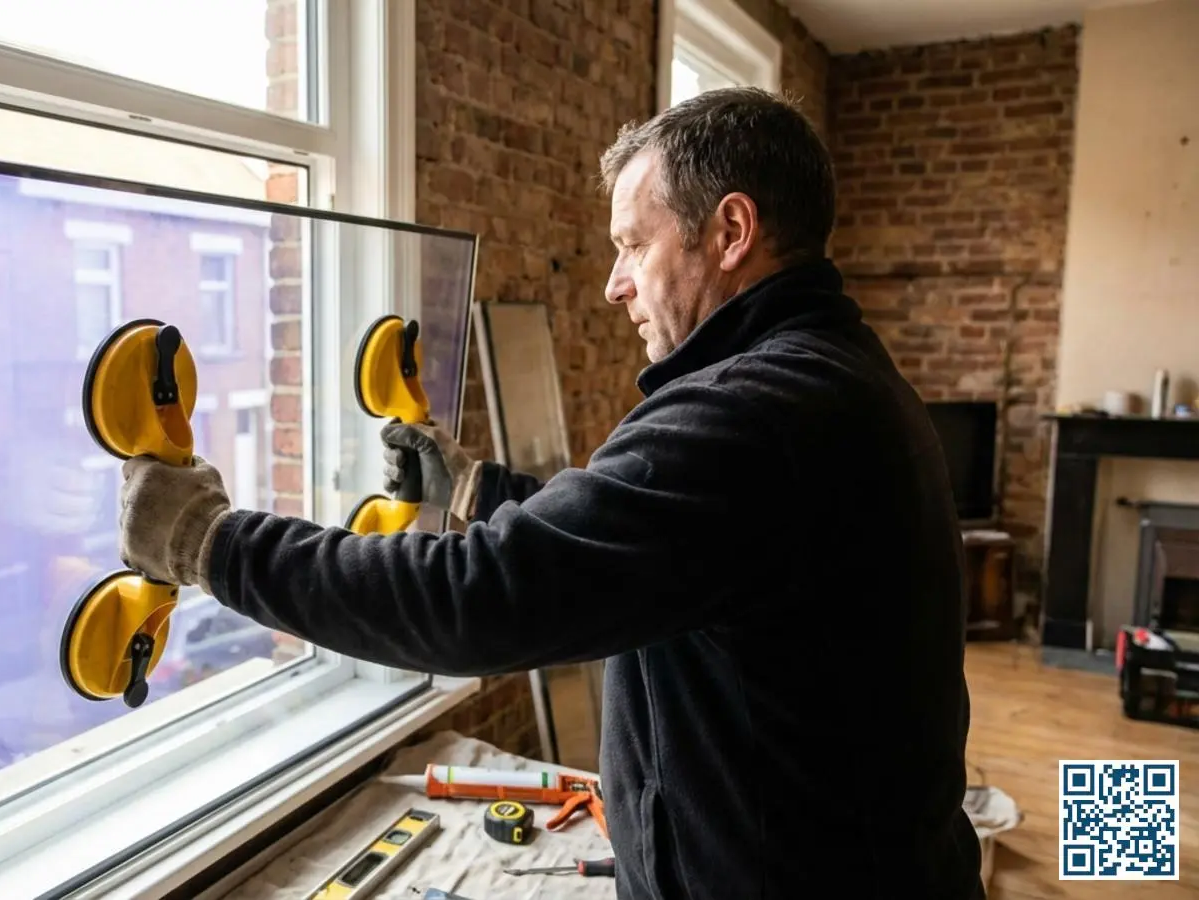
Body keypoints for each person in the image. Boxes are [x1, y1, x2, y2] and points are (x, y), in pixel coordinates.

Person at [115, 87, 984, 899]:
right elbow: (642, 548)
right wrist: (472, 488)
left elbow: (478, 601)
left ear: (730, 231)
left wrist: (207, 540)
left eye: (633, 245)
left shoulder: (755, 415)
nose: (614, 285)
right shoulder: (830, 377)